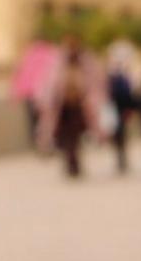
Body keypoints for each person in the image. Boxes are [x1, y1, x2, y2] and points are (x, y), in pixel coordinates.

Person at [40, 40, 106, 178]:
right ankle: (71, 163)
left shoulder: (86, 66)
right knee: (68, 138)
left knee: (75, 139)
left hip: (79, 108)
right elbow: (49, 89)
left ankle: (74, 163)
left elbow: (95, 87)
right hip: (63, 109)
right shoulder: (58, 67)